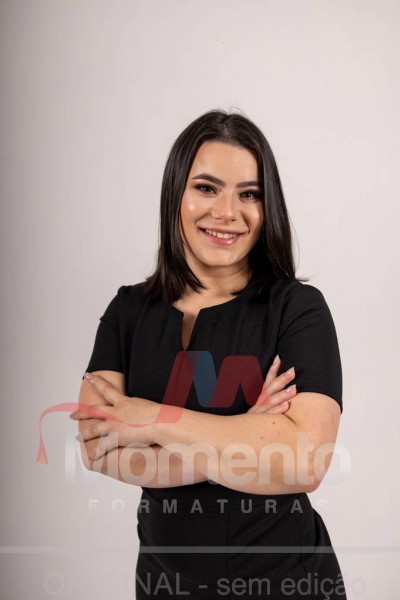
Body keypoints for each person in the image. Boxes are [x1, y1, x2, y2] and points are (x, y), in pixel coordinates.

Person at [70, 110, 346, 599]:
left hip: (287, 583)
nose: (227, 212)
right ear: (175, 194)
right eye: (206, 188)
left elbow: (305, 463)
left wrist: (148, 419)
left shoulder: (297, 309)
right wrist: (246, 435)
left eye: (249, 194)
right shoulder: (128, 310)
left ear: (268, 206)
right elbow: (98, 449)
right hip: (163, 583)